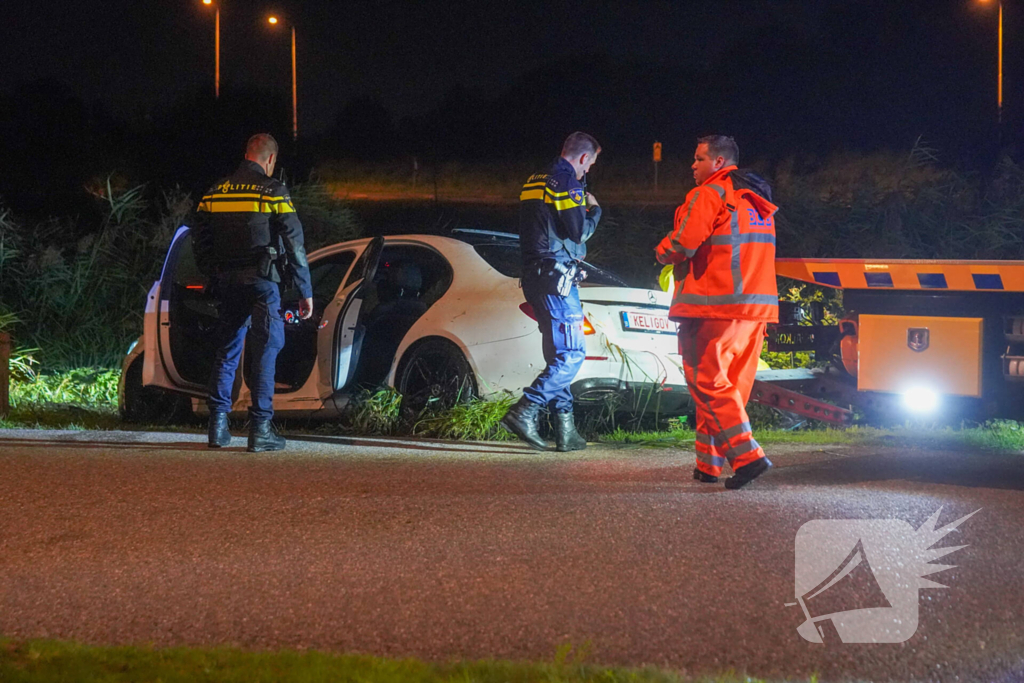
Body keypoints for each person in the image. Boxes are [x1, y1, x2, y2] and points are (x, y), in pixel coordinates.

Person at [655, 135, 778, 489]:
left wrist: (661, 251)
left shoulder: (708, 194)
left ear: (719, 163)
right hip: (755, 311)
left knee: (707, 384)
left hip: (713, 308)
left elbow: (683, 243)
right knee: (728, 390)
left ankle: (748, 457)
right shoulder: (757, 201)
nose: (693, 165)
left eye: (699, 159)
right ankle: (708, 465)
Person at [192, 133, 313, 452]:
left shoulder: (215, 191)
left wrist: (213, 272)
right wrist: (304, 290)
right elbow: (294, 241)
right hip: (262, 281)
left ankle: (217, 427)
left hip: (228, 282)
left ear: (247, 154)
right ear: (270, 159)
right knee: (266, 347)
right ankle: (260, 428)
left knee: (228, 350)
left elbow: (200, 239)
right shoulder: (272, 191)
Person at [501, 131, 602, 451]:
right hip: (556, 277)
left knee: (558, 354)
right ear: (584, 158)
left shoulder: (535, 179)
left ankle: (565, 430)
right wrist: (595, 210)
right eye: (591, 165)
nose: (588, 172)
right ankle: (525, 411)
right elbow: (578, 231)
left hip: (535, 275)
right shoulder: (567, 182)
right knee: (572, 354)